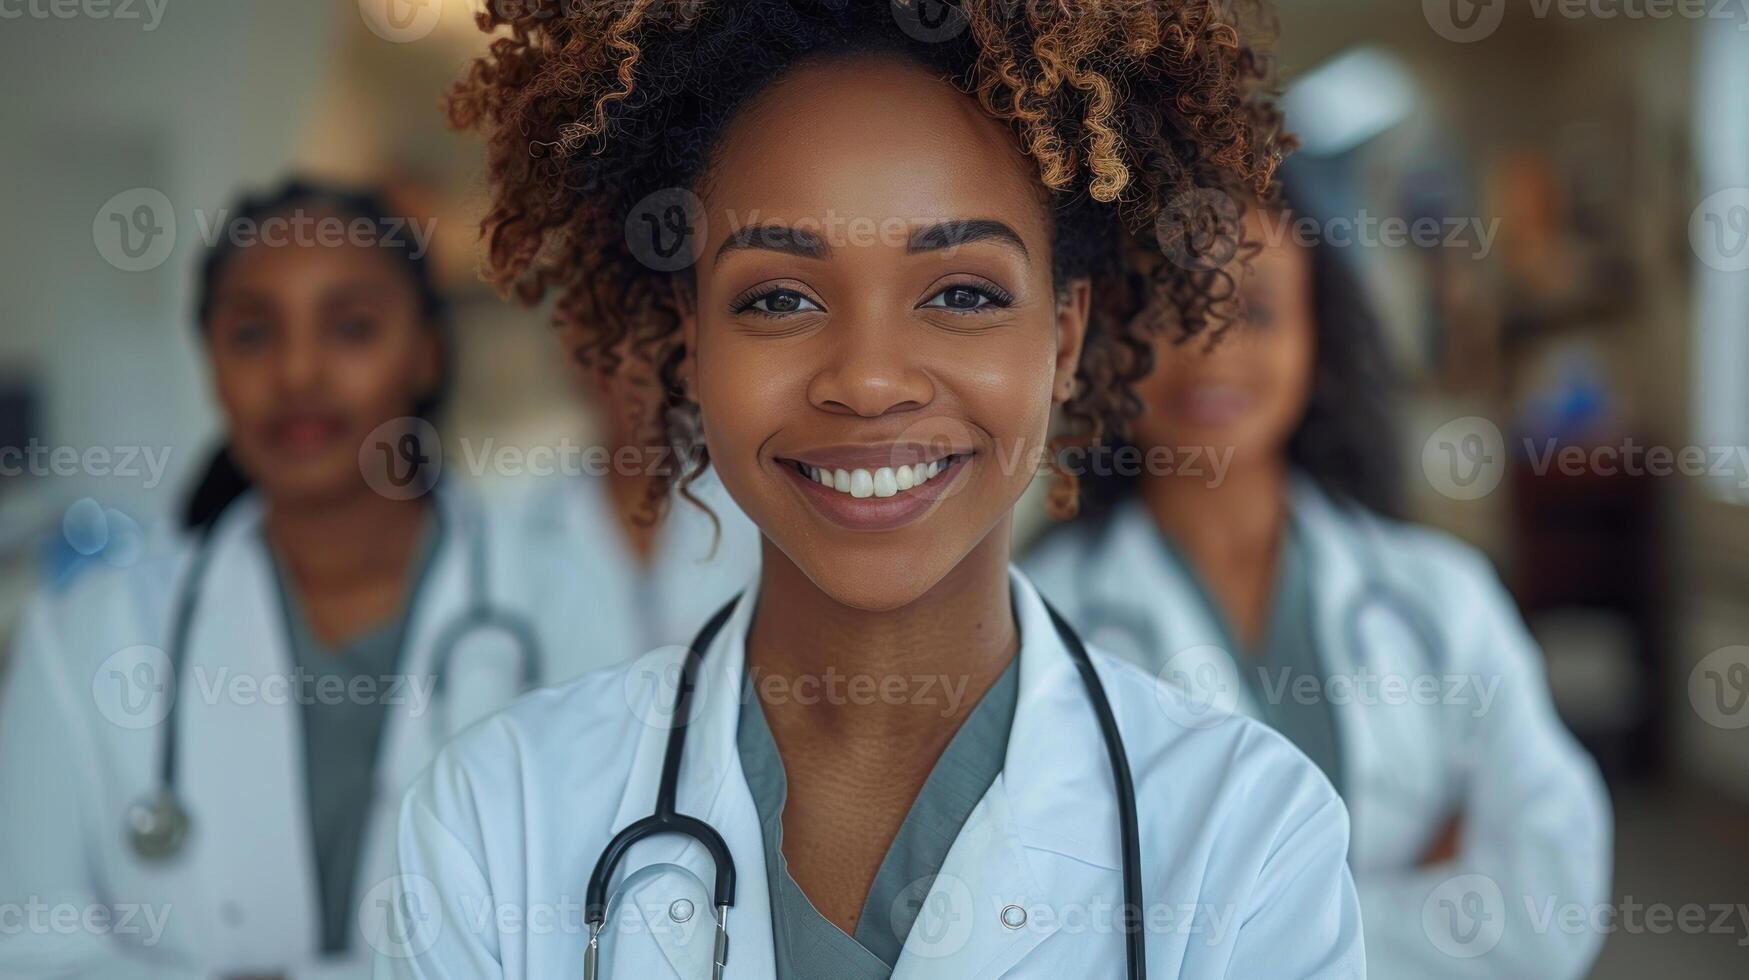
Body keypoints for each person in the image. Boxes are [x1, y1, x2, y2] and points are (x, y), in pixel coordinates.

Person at [375, 3, 1365, 978]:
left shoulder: (1252, 832)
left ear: (1064, 338)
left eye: (961, 293)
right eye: (780, 297)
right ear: (691, 338)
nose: (871, 378)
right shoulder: (494, 820)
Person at [1025, 190, 1612, 977]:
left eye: (1258, 312)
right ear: (1101, 340)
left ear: (1317, 340)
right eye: (1167, 308)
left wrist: (1224, 933)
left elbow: (1549, 898)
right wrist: (1420, 893)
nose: (1211, 347)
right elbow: (1052, 933)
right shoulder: (1035, 620)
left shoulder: (1439, 597)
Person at [0, 179, 573, 978]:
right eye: (251, 333)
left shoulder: (568, 598)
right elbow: (31, 948)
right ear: (210, 365)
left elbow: (616, 930)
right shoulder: (83, 637)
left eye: (351, 327)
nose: (298, 371)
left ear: (426, 353)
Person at [483, 334, 759, 674]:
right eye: (609, 361)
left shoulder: (744, 504)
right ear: (579, 370)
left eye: (646, 358)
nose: (631, 386)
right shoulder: (521, 525)